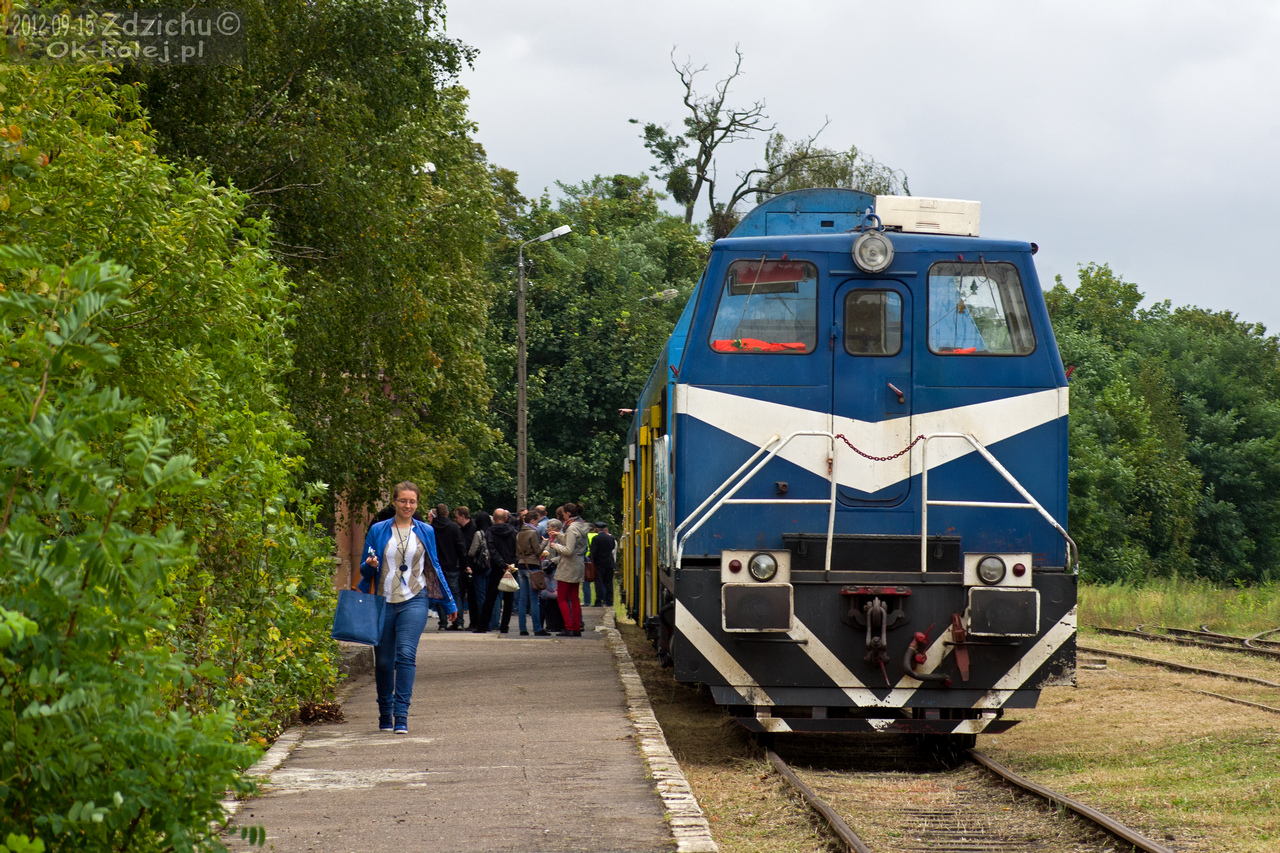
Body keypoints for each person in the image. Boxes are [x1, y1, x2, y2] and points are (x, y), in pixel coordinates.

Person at [358, 481, 456, 734]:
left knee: (406, 654)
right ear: (394, 502)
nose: (408, 505)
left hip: (415, 597)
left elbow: (434, 565)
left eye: (412, 501)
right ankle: (385, 712)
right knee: (383, 662)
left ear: (417, 504)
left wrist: (449, 602)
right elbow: (364, 569)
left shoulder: (426, 531)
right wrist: (370, 564)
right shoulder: (378, 530)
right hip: (383, 601)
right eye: (403, 500)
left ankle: (401, 715)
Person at [548, 502, 590, 637]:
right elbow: (572, 542)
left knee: (562, 598)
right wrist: (559, 535)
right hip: (578, 563)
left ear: (567, 513)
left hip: (568, 565)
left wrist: (554, 546)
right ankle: (576, 627)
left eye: (564, 514)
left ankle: (568, 626)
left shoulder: (571, 528)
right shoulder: (581, 525)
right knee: (574, 598)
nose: (563, 516)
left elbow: (568, 550)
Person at [431, 502, 468, 631]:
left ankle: (442, 622)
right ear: (447, 513)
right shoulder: (454, 527)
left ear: (436, 513)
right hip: (452, 565)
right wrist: (463, 564)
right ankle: (459, 621)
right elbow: (461, 547)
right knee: (455, 593)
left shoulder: (432, 528)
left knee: (439, 593)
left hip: (437, 565)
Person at [485, 508, 519, 632]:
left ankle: (483, 625)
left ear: (493, 519)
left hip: (497, 567)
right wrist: (511, 564)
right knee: (509, 599)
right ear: (506, 518)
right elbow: (517, 549)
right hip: (511, 567)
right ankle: (505, 626)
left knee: (490, 597)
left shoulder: (490, 532)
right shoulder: (513, 532)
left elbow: (492, 550)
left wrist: (501, 564)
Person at [515, 509, 548, 636]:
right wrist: (544, 542)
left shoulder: (519, 533)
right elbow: (538, 551)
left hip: (521, 564)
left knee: (522, 599)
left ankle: (522, 628)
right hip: (532, 565)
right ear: (532, 520)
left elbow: (517, 552)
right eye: (537, 521)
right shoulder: (533, 533)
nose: (537, 524)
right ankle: (537, 628)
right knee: (534, 599)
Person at [589, 522, 617, 607]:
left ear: (597, 529)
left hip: (599, 564)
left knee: (599, 583)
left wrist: (592, 561)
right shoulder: (611, 538)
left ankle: (599, 601)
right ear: (605, 529)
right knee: (609, 583)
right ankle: (609, 601)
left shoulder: (596, 538)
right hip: (609, 563)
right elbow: (612, 547)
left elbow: (593, 552)